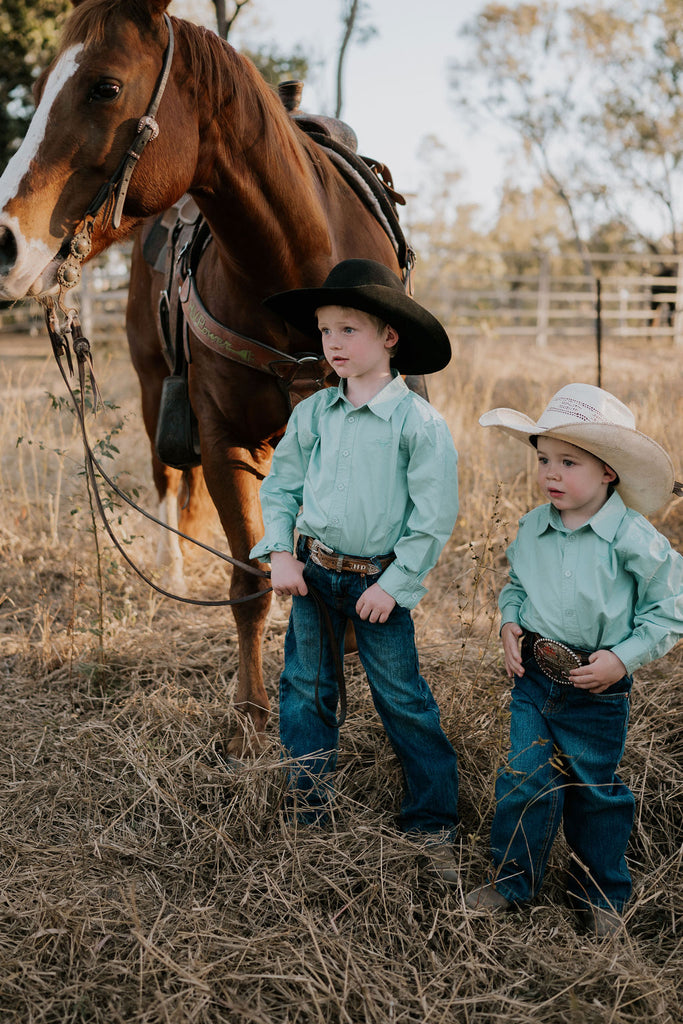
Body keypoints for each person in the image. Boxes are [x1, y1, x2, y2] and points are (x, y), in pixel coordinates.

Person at [250, 258, 460, 881]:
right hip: (313, 574)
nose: (333, 344)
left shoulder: (417, 425)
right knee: (305, 689)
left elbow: (432, 519)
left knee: (402, 700)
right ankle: (311, 809)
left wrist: (394, 586)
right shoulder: (314, 413)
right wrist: (281, 553)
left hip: (377, 585)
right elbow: (281, 486)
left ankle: (432, 823)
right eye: (324, 331)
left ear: (389, 337)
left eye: (348, 330)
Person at [467, 383, 683, 936]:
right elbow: (516, 586)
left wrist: (622, 658)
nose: (551, 475)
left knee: (594, 790)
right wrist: (510, 621)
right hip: (536, 679)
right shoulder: (533, 528)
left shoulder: (633, 537)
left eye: (569, 462)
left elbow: (669, 610)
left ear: (609, 471)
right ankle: (514, 879)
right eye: (544, 460)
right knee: (523, 777)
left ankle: (600, 893)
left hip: (596, 687)